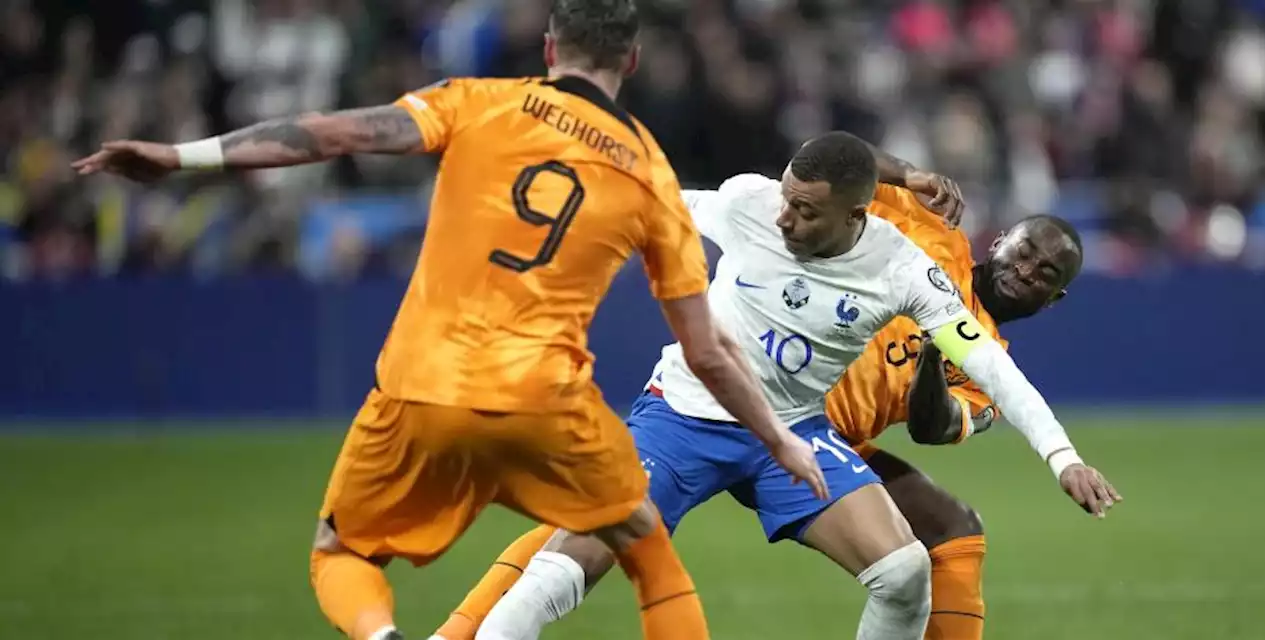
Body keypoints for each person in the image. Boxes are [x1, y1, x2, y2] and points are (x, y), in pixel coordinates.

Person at [71, 2, 828, 640]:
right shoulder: (650, 172)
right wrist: (777, 439)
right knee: (646, 546)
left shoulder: (478, 102)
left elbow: (334, 134)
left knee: (338, 552)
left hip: (420, 386)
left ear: (549, 46)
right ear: (630, 63)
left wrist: (179, 158)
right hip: (546, 403)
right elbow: (706, 349)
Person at [432, 132, 1121, 640]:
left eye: (1043, 276)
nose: (785, 219)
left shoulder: (913, 275)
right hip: (690, 414)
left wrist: (1063, 457)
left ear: (855, 218)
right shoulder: (762, 206)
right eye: (1024, 254)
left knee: (911, 567)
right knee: (584, 550)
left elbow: (979, 384)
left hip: (801, 433)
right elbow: (657, 195)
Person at [824, 184, 1098, 640]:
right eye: (1024, 251)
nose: (1026, 270)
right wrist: (907, 174)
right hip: (775, 397)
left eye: (1046, 273)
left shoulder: (988, 373)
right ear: (999, 241)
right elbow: (841, 168)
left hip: (829, 438)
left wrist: (933, 360)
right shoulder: (931, 233)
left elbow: (931, 429)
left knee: (955, 532)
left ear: (1053, 299)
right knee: (902, 573)